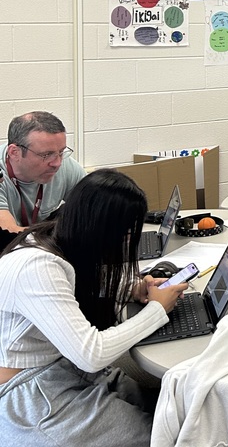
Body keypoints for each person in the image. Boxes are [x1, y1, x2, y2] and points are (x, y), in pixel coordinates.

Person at [0, 169, 188, 446]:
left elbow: (76, 282)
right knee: (163, 436)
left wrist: (131, 287)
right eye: (125, 234)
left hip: (59, 369)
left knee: (171, 410)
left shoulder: (55, 240)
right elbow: (91, 354)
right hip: (28, 395)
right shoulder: (37, 267)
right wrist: (156, 311)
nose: (126, 242)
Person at [1, 112, 87, 233]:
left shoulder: (66, 166)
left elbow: (94, 209)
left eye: (61, 152)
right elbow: (9, 232)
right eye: (46, 155)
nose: (57, 163)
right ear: (14, 152)